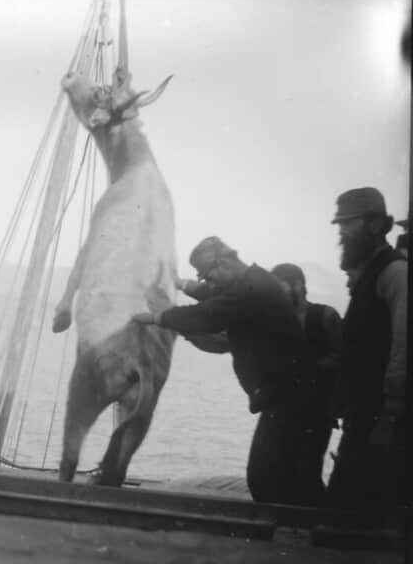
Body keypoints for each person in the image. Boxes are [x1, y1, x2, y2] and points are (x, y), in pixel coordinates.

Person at [132, 236, 324, 506]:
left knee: (266, 476)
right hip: (288, 395)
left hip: (289, 398)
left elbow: (208, 314)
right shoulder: (254, 281)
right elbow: (216, 295)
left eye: (207, 275)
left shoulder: (252, 289)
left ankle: (294, 538)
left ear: (221, 263)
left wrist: (157, 318)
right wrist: (178, 283)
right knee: (284, 476)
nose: (208, 282)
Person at [326, 187, 407, 509]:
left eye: (348, 224)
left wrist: (390, 418)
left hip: (383, 422)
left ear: (374, 225)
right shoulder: (370, 275)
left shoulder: (395, 273)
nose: (341, 233)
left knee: (358, 508)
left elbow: (404, 349)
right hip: (365, 417)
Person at [270, 263, 343, 492]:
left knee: (307, 471)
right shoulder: (276, 321)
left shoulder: (325, 315)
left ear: (298, 285)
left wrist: (307, 368)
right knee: (275, 470)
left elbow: (343, 359)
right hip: (283, 408)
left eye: (279, 288)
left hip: (317, 410)